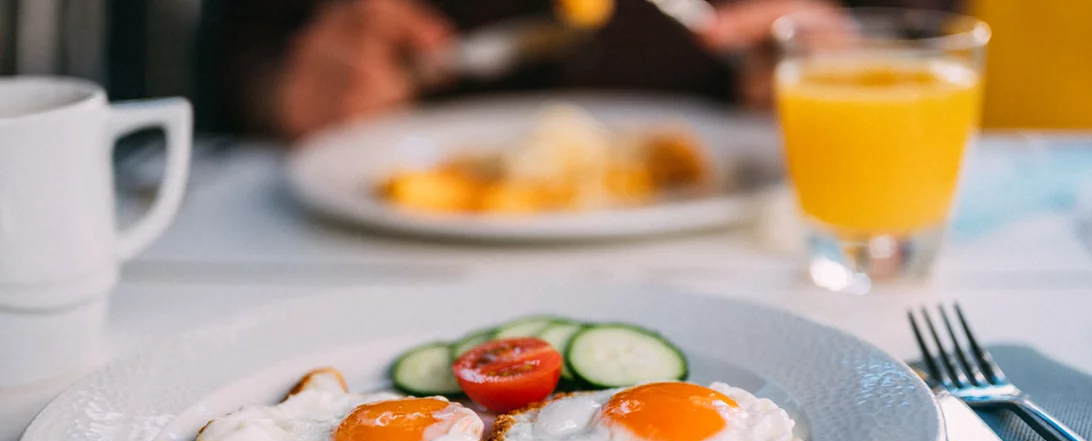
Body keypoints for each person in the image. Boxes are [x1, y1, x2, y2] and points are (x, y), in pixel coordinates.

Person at [196, 0, 947, 138]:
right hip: (376, 248)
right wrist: (284, 85)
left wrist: (851, 48)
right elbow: (236, 48)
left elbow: (923, 24)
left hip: (752, 230)